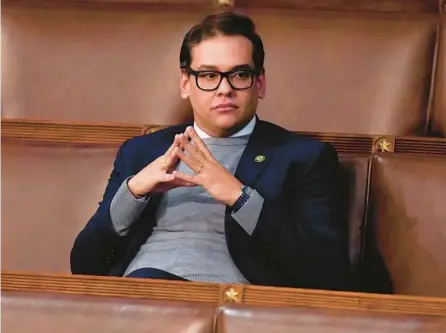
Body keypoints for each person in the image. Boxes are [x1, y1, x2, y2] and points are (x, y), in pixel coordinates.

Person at [70, 11, 350, 291]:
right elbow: (84, 265)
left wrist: (240, 198)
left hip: (231, 306)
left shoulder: (304, 157)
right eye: (208, 75)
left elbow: (327, 273)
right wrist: (133, 193)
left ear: (260, 83)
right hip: (138, 297)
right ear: (185, 83)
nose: (224, 89)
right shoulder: (142, 152)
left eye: (240, 74)